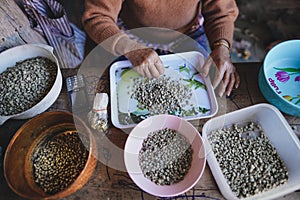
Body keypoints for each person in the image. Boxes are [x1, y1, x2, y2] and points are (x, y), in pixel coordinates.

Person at [82, 0, 240, 97]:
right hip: (131, 36)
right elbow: (97, 17)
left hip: (188, 33)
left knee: (209, 87)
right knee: (119, 91)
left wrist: (222, 46)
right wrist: (130, 48)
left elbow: (221, 12)